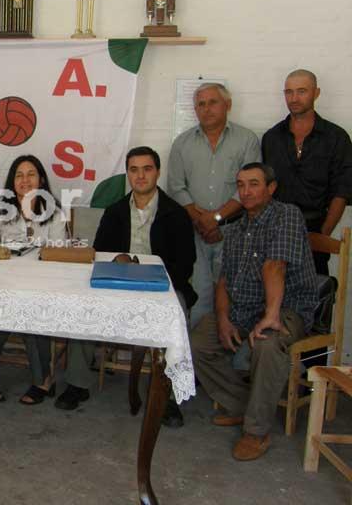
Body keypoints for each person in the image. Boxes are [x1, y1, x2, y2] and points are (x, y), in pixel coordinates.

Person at [56, 147, 197, 426]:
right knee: (84, 304)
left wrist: (149, 274)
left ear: (157, 172)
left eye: (147, 169)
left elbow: (185, 264)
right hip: (117, 284)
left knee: (179, 312)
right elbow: (101, 254)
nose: (140, 176)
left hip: (162, 288)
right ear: (128, 174)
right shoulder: (115, 211)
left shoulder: (176, 214)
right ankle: (77, 383)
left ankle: (168, 396)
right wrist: (118, 262)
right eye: (134, 170)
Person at [191, 163, 318, 462]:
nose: (246, 192)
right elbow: (224, 280)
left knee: (268, 342)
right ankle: (243, 406)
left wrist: (271, 315)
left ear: (271, 188)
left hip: (286, 308)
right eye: (241, 185)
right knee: (197, 343)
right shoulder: (235, 229)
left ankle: (256, 431)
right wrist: (223, 319)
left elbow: (275, 265)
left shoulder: (286, 215)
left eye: (254, 184)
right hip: (243, 308)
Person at [0, 155, 68, 404]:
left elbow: (59, 255)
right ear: (12, 181)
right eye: (19, 175)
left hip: (41, 283)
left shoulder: (55, 213)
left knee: (34, 310)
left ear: (41, 180)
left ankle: (43, 379)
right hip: (3, 281)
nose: (25, 180)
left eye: (31, 174)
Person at [168, 83, 260, 328]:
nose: (206, 109)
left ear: (227, 105)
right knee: (198, 296)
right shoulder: (182, 143)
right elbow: (176, 188)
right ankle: (199, 348)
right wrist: (203, 221)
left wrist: (216, 218)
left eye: (213, 102)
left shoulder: (247, 140)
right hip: (195, 234)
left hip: (236, 232)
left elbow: (250, 189)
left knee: (234, 296)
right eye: (201, 104)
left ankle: (229, 351)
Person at [262, 69, 352, 274]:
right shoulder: (272, 138)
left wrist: (323, 234)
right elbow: (265, 189)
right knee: (273, 288)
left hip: (317, 226)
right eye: (289, 92)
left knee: (315, 289)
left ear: (316, 93)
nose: (294, 98)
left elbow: (342, 191)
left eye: (302, 91)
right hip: (276, 229)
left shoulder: (336, 137)